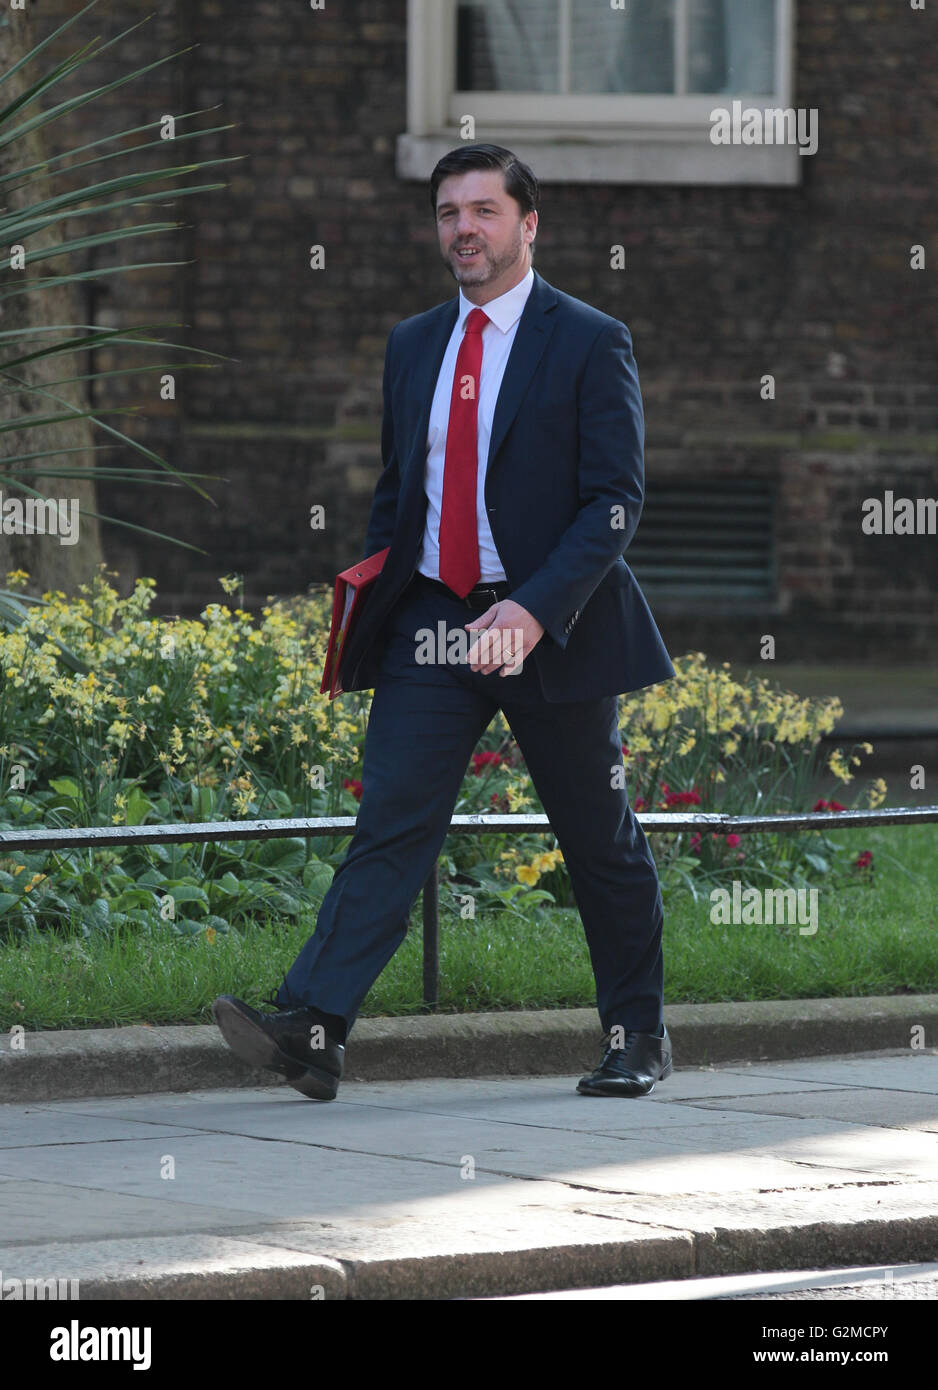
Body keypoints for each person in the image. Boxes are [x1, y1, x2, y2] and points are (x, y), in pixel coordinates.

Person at [213, 144, 676, 1101]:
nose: (464, 229)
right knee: (392, 821)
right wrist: (378, 608)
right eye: (448, 214)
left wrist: (534, 608)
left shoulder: (591, 339)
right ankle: (316, 1025)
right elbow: (401, 495)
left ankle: (637, 1034)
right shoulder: (414, 342)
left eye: (484, 211)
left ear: (527, 224)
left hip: (552, 624)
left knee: (597, 836)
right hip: (435, 624)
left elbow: (615, 503)